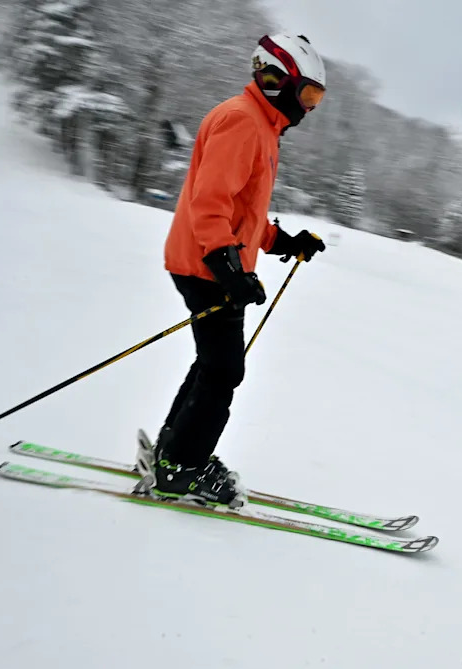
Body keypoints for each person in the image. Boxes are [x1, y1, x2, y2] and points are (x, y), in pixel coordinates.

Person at [135, 33, 328, 508]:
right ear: (277, 80)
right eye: (307, 94)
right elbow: (210, 203)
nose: (309, 107)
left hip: (206, 263)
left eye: (316, 98)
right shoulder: (244, 123)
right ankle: (181, 469)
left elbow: (245, 212)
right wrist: (227, 267)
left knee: (213, 365)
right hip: (204, 266)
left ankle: (173, 451)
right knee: (223, 370)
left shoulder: (261, 126)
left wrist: (284, 242)